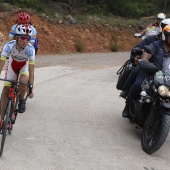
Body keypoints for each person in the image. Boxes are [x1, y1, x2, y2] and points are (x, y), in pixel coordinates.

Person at [122, 23, 170, 118]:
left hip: (166, 76)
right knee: (138, 84)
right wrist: (144, 61)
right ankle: (127, 107)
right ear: (166, 35)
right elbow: (145, 57)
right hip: (150, 72)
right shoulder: (156, 45)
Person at [0, 23, 35, 125]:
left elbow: (31, 70)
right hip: (12, 65)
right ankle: (1, 119)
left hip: (24, 66)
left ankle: (21, 100)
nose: (25, 41)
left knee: (23, 81)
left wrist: (31, 86)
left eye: (27, 38)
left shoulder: (30, 49)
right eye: (22, 38)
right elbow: (1, 63)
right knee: (6, 90)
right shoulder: (8, 46)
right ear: (16, 37)